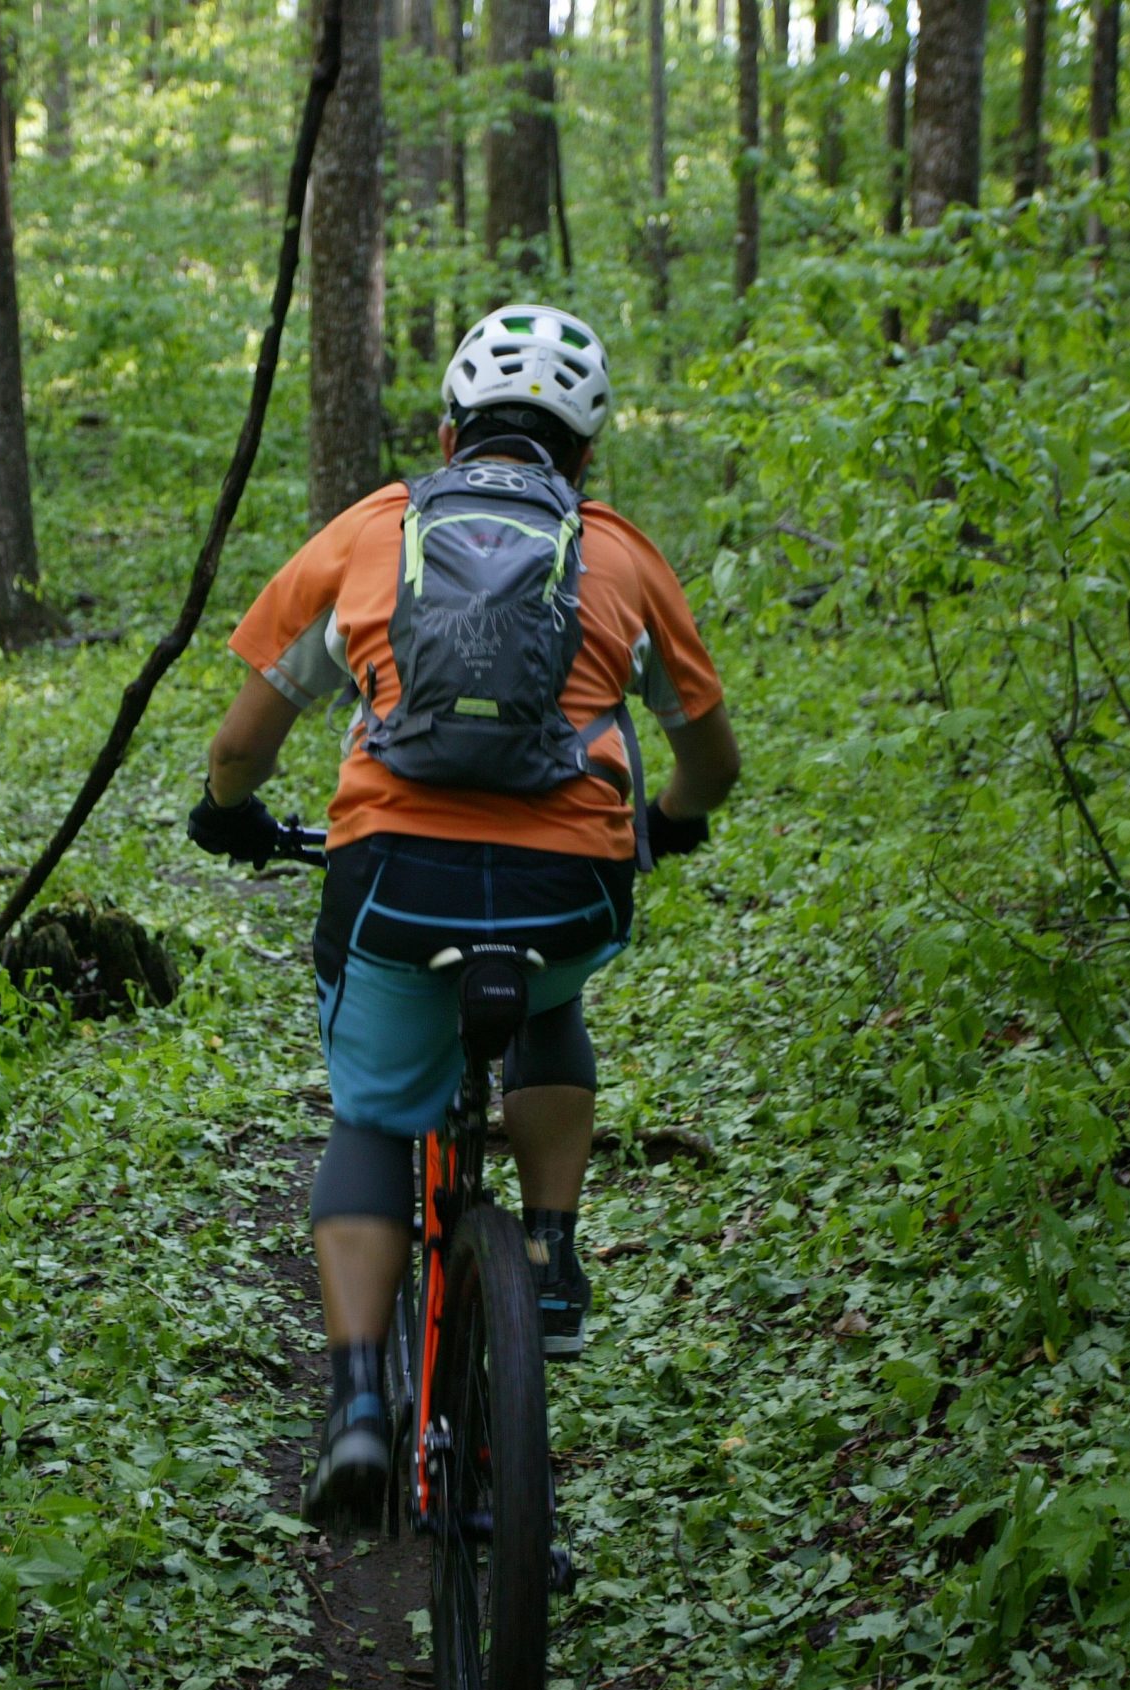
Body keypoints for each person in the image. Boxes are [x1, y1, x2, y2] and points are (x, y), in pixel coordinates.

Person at [185, 304, 741, 1525]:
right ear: (584, 457)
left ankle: (358, 1404)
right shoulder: (624, 558)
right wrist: (679, 816)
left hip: (392, 884)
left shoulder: (371, 532)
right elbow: (711, 761)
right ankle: (546, 1253)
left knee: (377, 1116)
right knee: (553, 997)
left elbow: (241, 743)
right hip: (567, 893)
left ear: (445, 429)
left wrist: (227, 811)